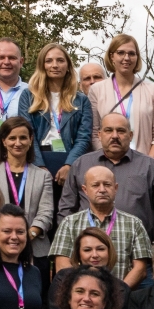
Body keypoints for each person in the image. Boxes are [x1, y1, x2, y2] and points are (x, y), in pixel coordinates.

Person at [55, 113, 154, 234]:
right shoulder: (81, 164)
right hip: (88, 246)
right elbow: (66, 208)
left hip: (137, 245)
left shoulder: (149, 166)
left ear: (130, 135)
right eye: (108, 130)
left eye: (121, 131)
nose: (115, 136)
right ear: (99, 135)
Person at [0, 118, 56, 263]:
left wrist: (28, 234)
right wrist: (7, 235)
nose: (18, 143)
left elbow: (46, 212)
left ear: (30, 140)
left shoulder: (43, 176)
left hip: (35, 250)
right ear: (3, 141)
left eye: (23, 138)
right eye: (12, 138)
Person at [25, 42, 95, 199]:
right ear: (42, 65)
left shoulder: (81, 100)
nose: (54, 65)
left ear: (68, 65)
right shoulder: (29, 96)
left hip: (70, 161)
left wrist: (69, 165)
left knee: (66, 212)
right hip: (38, 161)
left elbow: (84, 137)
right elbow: (27, 133)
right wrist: (39, 165)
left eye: (60, 60)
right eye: (49, 61)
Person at [87, 34, 154, 161]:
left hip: (144, 163)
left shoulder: (152, 89)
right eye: (121, 53)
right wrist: (108, 160)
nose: (126, 58)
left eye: (131, 53)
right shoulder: (96, 90)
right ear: (112, 56)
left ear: (137, 58)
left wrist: (148, 164)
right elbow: (94, 133)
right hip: (108, 166)